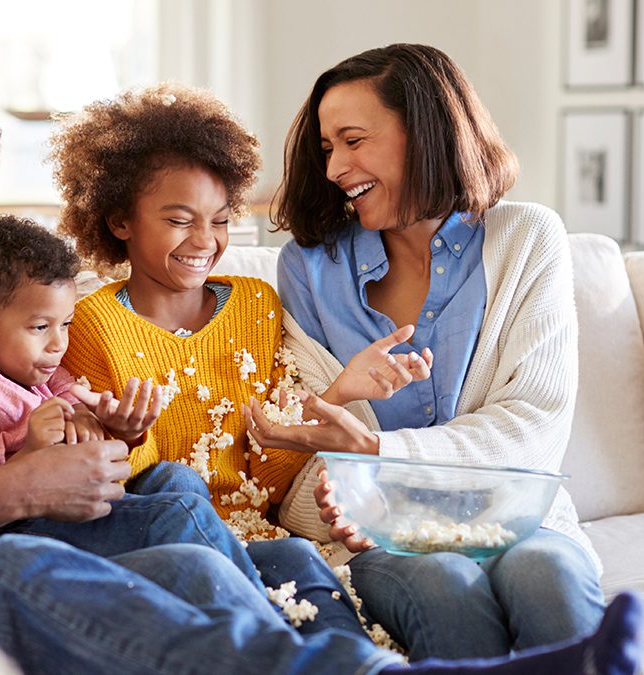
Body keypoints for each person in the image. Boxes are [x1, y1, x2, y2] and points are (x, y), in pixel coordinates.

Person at [0, 47, 644, 674]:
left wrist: (76, 428)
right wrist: (20, 488)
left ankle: (347, 652)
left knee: (179, 504)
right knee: (24, 575)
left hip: (12, 494)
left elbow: (29, 370)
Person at [245, 43, 607, 662]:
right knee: (446, 582)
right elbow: (303, 464)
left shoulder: (526, 239)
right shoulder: (308, 268)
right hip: (382, 541)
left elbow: (535, 430)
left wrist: (379, 452)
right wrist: (344, 479)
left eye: (354, 141)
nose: (335, 168)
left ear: (428, 134)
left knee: (550, 578)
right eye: (328, 148)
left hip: (517, 519)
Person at [52, 83, 437, 639]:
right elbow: (125, 488)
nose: (205, 240)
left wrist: (339, 393)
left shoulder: (255, 305)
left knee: (305, 570)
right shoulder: (91, 325)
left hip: (260, 536)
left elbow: (271, 473)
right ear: (120, 222)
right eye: (180, 220)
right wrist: (125, 435)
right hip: (167, 540)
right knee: (181, 484)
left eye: (221, 218)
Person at [0, 214, 261, 585]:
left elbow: (82, 416)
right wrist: (30, 454)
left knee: (179, 478)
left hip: (86, 501)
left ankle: (219, 578)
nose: (59, 344)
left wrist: (116, 428)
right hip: (29, 533)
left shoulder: (44, 369)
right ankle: (257, 597)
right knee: (178, 513)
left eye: (66, 324)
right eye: (41, 327)